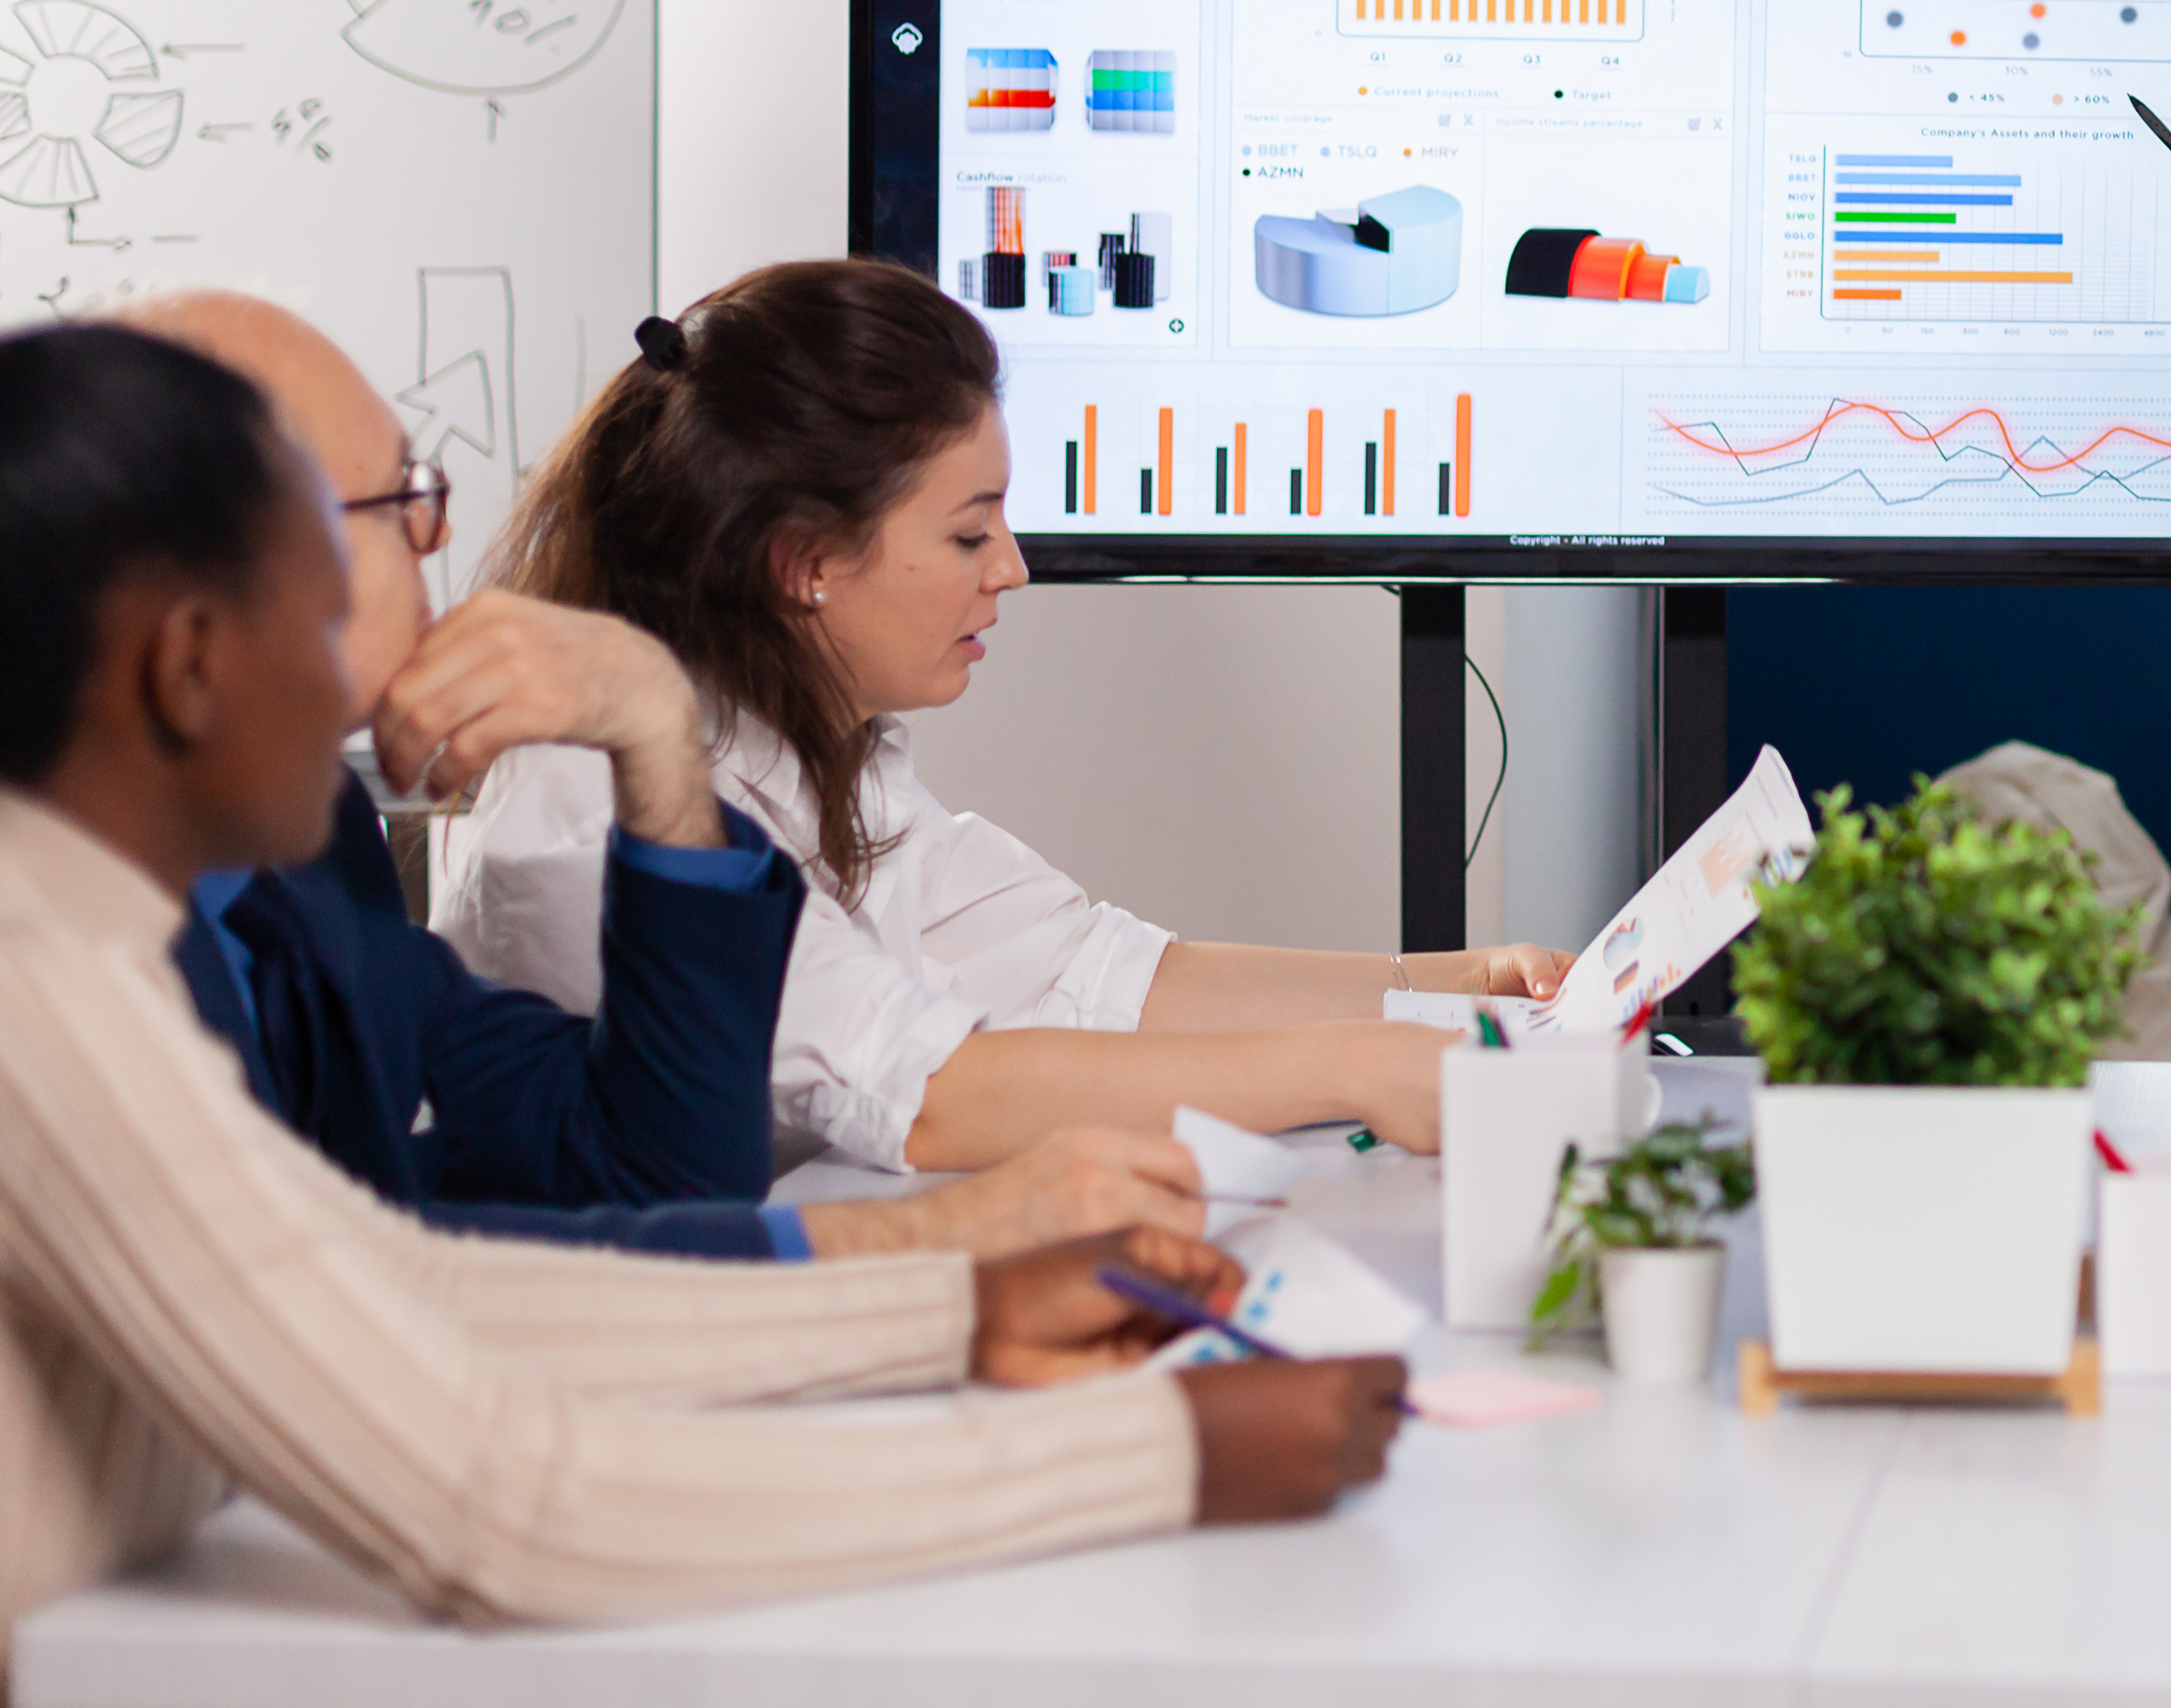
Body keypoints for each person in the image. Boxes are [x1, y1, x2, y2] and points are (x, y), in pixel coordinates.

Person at [0, 320, 1405, 1671]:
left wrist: (954, 1310)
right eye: (339, 582)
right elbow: (496, 1502)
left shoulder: (170, 907)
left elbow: (392, 1286)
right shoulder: (36, 973)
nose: (412, 637)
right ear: (189, 664)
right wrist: (1158, 1455)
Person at [127, 290, 1211, 1261]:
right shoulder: (71, 939)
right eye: (393, 506)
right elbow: (342, 1281)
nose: (433, 542)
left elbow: (670, 1166)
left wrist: (654, 735)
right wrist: (935, 1260)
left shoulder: (315, 856)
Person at [435, 259, 1568, 1171]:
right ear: (806, 561)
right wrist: (1362, 1066)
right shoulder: (596, 797)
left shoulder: (814, 742)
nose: (1013, 570)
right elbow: (932, 1098)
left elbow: (1101, 972)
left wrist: (1461, 983)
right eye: (971, 533)